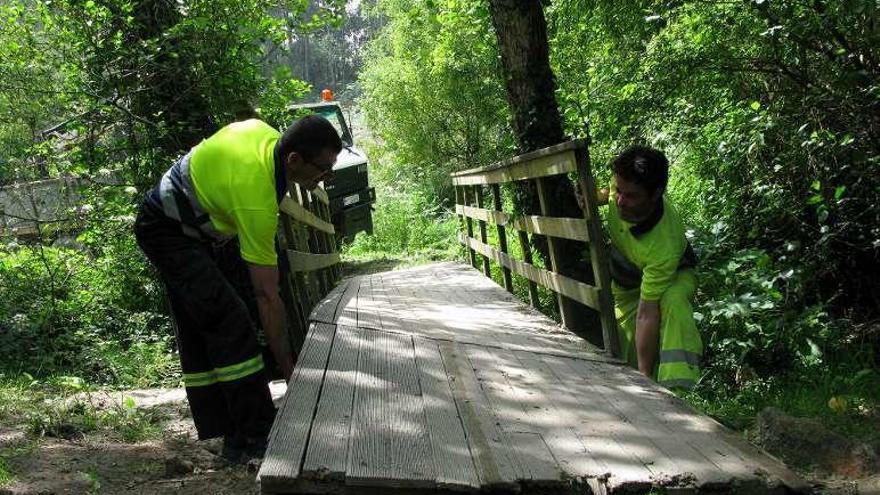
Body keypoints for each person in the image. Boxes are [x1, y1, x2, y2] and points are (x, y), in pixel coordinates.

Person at [134, 115, 341, 461]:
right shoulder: (256, 196)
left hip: (198, 228)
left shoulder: (269, 142)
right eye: (323, 170)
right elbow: (268, 296)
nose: (325, 179)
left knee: (211, 321)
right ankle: (257, 434)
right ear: (294, 160)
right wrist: (290, 370)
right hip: (166, 229)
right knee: (231, 321)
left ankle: (232, 436)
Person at [597, 145, 701, 389]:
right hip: (627, 281)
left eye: (631, 196)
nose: (620, 201)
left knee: (673, 302)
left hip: (673, 276)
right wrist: (589, 195)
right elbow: (607, 193)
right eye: (618, 191)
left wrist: (644, 378)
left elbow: (647, 313)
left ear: (655, 195)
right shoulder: (620, 188)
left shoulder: (665, 244)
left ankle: (679, 389)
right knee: (624, 352)